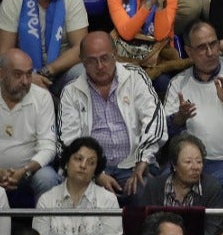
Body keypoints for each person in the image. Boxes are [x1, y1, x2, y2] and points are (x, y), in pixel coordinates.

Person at [56, 33, 165, 198]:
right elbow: (67, 142)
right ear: (82, 61)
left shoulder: (135, 77)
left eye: (105, 58)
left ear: (115, 54)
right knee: (82, 195)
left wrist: (142, 160)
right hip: (89, 169)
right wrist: (96, 174)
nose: (100, 66)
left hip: (133, 164)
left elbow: (155, 120)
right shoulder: (71, 92)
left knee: (145, 190)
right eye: (92, 60)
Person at [164, 21, 223, 187]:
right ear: (189, 52)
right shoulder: (177, 84)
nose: (210, 52)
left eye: (213, 44)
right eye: (202, 47)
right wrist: (180, 118)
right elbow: (163, 132)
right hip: (188, 164)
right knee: (161, 185)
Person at [0, 53, 61, 199]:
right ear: (0, 74)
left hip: (29, 173)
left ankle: (45, 223)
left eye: (29, 74)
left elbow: (48, 147)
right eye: (18, 75)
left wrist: (25, 171)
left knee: (47, 178)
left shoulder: (42, 97)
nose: (25, 81)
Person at [133, 136, 223, 235]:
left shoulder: (212, 188)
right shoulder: (155, 186)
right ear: (174, 165)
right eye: (188, 162)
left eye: (199, 162)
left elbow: (212, 231)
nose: (195, 167)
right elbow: (145, 228)